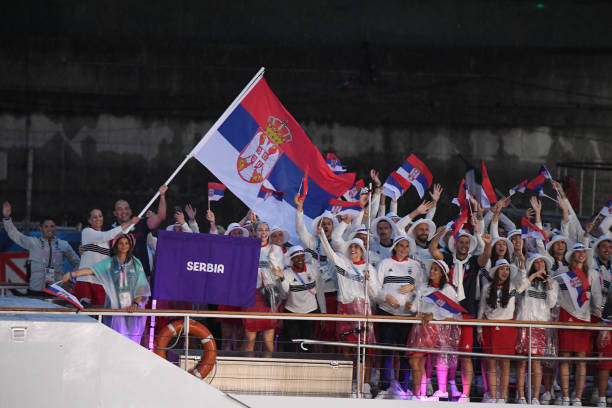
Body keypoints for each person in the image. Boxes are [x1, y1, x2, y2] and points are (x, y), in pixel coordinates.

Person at [318, 225, 378, 396]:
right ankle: (348, 382)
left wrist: (368, 282)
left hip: (362, 310)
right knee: (346, 349)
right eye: (351, 247)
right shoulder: (342, 263)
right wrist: (322, 234)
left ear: (362, 251)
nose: (353, 249)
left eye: (357, 247)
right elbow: (329, 253)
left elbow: (374, 294)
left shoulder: (369, 268)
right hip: (345, 308)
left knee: (363, 350)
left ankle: (364, 384)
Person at [61, 234, 150, 343]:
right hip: (115, 308)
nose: (124, 246)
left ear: (130, 246)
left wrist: (135, 304)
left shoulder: (136, 263)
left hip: (132, 308)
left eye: (126, 243)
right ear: (116, 246)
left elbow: (141, 286)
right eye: (121, 243)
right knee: (115, 338)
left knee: (132, 340)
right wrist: (71, 274)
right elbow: (90, 270)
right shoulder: (109, 262)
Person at [374, 235, 422, 398]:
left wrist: (414, 286)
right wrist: (386, 297)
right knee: (387, 351)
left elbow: (423, 289)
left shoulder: (415, 266)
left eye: (406, 246)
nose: (403, 248)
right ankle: (385, 387)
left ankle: (403, 386)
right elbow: (374, 289)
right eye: (400, 245)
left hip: (406, 316)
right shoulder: (385, 264)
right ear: (394, 246)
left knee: (404, 352)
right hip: (386, 312)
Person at [555, 243, 602, 406]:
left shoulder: (593, 274)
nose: (581, 254)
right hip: (566, 316)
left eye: (583, 252)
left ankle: (578, 398)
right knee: (565, 358)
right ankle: (566, 395)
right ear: (572, 255)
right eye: (578, 252)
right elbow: (556, 293)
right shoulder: (562, 272)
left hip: (584, 319)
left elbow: (597, 297)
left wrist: (599, 312)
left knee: (582, 360)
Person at [409, 259, 462, 400]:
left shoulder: (447, 289)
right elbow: (414, 307)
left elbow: (452, 312)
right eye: (431, 269)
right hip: (419, 327)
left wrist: (433, 315)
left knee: (416, 360)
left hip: (435, 329)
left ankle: (418, 394)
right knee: (418, 361)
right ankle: (419, 394)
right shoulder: (422, 286)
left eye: (436, 270)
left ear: (442, 274)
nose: (432, 271)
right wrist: (406, 301)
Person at [478, 259, 528, 403]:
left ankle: (502, 396)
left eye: (507, 269)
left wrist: (522, 262)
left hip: (508, 327)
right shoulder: (487, 287)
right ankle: (493, 396)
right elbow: (481, 309)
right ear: (496, 272)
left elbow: (523, 281)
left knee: (505, 364)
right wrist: (480, 329)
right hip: (490, 328)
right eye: (502, 269)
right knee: (491, 363)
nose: (505, 272)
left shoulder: (512, 286)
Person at [2, 201, 80, 295]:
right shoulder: (34, 242)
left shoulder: (63, 244)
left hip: (57, 290)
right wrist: (7, 218)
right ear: (41, 229)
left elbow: (77, 262)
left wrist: (71, 280)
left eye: (52, 226)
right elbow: (16, 236)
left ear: (55, 228)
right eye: (46, 226)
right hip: (36, 290)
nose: (49, 229)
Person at [515, 254, 559, 404]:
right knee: (521, 363)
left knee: (536, 363)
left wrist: (550, 285)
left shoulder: (551, 283)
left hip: (540, 327)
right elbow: (518, 290)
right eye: (536, 262)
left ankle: (534, 397)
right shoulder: (527, 280)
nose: (540, 264)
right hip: (523, 325)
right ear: (532, 265)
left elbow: (552, 304)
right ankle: (521, 395)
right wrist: (533, 276)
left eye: (542, 262)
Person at [75, 208, 138, 306]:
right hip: (85, 281)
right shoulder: (87, 231)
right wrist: (130, 222)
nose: (98, 219)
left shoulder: (109, 239)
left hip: (101, 282)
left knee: (98, 316)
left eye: (100, 216)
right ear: (89, 220)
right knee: (82, 315)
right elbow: (106, 235)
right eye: (94, 217)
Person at [273, 245, 326, 352]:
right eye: (296, 257)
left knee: (307, 344)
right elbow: (286, 292)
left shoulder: (313, 270)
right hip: (292, 312)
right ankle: (290, 366)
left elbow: (319, 292)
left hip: (310, 311)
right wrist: (282, 278)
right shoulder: (287, 273)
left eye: (301, 256)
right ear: (291, 260)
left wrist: (324, 313)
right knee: (290, 344)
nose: (300, 259)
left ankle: (306, 367)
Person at [242, 221, 283, 352]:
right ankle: (247, 370)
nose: (263, 232)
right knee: (250, 339)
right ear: (254, 232)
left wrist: (271, 257)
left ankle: (268, 369)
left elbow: (278, 272)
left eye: (266, 229)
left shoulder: (276, 249)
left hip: (268, 294)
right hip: (252, 295)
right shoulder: (248, 248)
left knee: (268, 339)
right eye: (260, 230)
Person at [112, 185, 167, 280]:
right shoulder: (110, 230)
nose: (124, 211)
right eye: (120, 209)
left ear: (130, 211)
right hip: (119, 278)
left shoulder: (141, 223)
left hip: (142, 277)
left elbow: (160, 217)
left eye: (126, 208)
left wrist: (162, 196)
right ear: (115, 213)